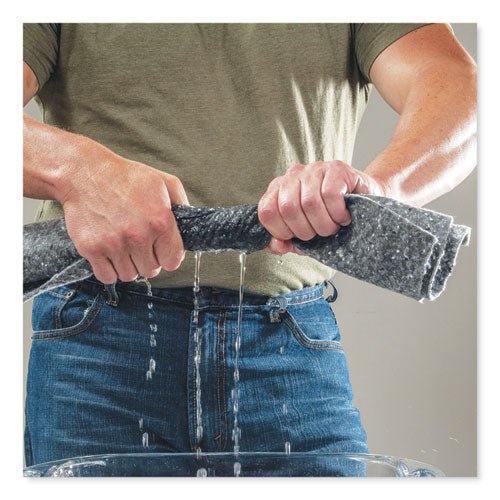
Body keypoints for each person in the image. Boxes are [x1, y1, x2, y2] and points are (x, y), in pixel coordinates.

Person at [23, 23, 476, 474]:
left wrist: (381, 189)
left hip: (288, 341)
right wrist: (77, 171)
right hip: (99, 342)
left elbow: (457, 83)